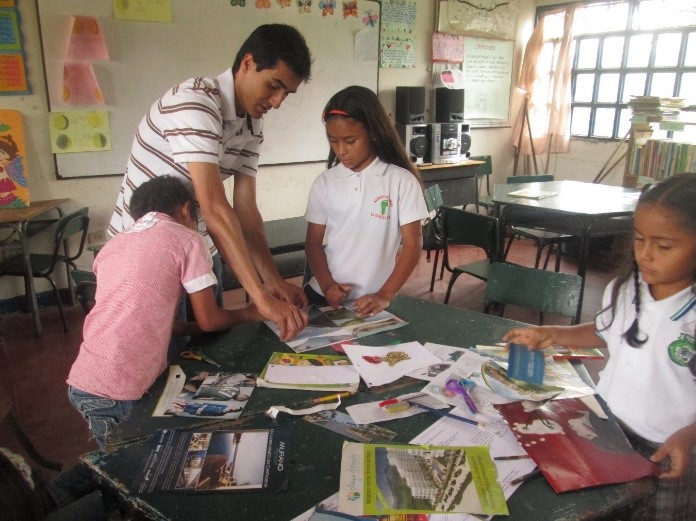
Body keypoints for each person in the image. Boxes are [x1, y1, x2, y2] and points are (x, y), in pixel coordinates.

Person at [503, 173, 696, 520]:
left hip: (669, 446)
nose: (645, 255)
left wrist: (689, 435)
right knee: (603, 510)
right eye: (638, 240)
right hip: (608, 427)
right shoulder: (625, 289)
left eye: (664, 246)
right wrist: (552, 333)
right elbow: (605, 331)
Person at [108, 24, 312, 342]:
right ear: (247, 63)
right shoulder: (196, 103)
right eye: (274, 86)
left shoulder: (252, 124)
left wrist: (273, 281)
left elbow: (246, 211)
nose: (277, 102)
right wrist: (259, 297)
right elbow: (216, 208)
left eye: (287, 93)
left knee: (206, 349)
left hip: (198, 247)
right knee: (159, 352)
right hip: (147, 257)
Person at [68, 176, 264, 449]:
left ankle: (52, 491)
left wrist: (190, 328)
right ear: (186, 210)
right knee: (129, 465)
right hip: (117, 388)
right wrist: (252, 313)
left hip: (87, 376)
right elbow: (210, 321)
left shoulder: (112, 246)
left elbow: (137, 315)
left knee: (118, 462)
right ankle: (49, 492)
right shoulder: (187, 239)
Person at [304, 85, 428, 318]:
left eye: (350, 140)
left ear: (373, 132)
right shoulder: (324, 183)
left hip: (373, 301)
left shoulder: (400, 181)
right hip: (324, 296)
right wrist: (328, 285)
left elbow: (413, 246)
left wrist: (385, 295)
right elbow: (312, 244)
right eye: (334, 141)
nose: (342, 150)